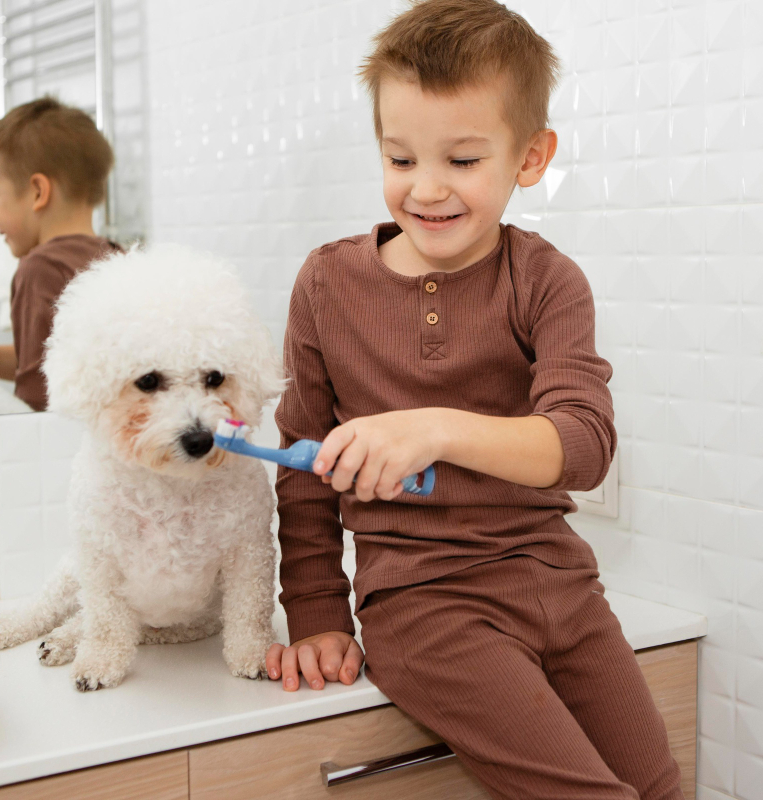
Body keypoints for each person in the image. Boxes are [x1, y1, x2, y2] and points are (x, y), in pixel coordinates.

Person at [264, 2, 683, 798]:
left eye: (461, 160)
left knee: (659, 788)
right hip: (424, 606)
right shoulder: (327, 284)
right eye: (399, 158)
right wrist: (316, 612)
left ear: (530, 157)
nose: (426, 189)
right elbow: (302, 463)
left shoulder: (548, 281)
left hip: (562, 585)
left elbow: (584, 443)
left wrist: (436, 430)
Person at [0, 97, 121, 410]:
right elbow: (42, 361)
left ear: (38, 192)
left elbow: (36, 398)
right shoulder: (115, 257)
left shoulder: (40, 270)